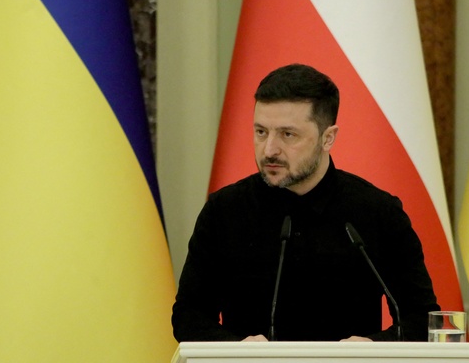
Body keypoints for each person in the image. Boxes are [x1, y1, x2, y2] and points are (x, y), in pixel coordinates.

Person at [172, 63, 439, 347]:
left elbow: (422, 318)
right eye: (261, 132)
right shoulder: (224, 211)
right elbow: (189, 317)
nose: (269, 150)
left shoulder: (377, 212)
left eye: (288, 135)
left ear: (328, 138)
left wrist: (372, 347)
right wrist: (238, 349)